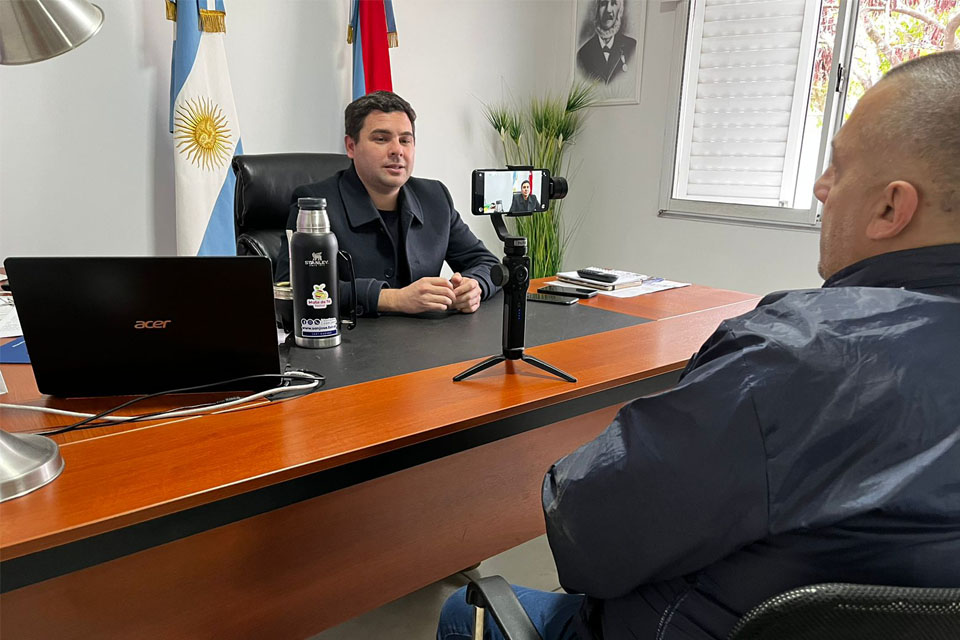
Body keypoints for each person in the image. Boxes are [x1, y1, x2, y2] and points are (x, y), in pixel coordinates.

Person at [438, 51, 960, 640]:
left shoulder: (791, 357)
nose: (820, 189)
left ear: (891, 207)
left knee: (463, 611)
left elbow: (588, 538)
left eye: (836, 168)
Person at [277, 91, 501, 317]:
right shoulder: (314, 205)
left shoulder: (435, 197)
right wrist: (392, 299)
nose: (397, 150)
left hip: (430, 336)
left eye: (405, 140)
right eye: (381, 139)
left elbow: (488, 264)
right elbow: (293, 288)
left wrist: (475, 286)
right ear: (351, 146)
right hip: (354, 337)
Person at [576, 0, 637, 84]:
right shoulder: (582, 55)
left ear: (620, 10)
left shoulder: (632, 47)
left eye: (613, 3)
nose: (608, 10)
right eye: (603, 3)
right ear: (597, 9)